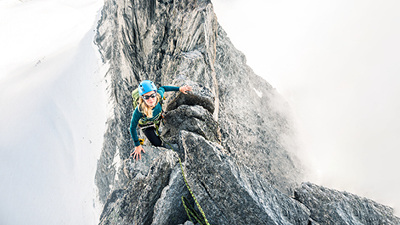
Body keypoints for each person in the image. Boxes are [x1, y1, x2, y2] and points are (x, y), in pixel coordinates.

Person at [130, 80, 192, 160]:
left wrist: (179, 89)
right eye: (146, 97)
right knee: (157, 144)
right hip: (146, 126)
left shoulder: (159, 97)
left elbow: (163, 88)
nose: (151, 99)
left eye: (152, 95)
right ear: (142, 98)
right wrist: (137, 145)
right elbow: (132, 127)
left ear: (155, 93)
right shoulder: (139, 110)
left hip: (157, 119)